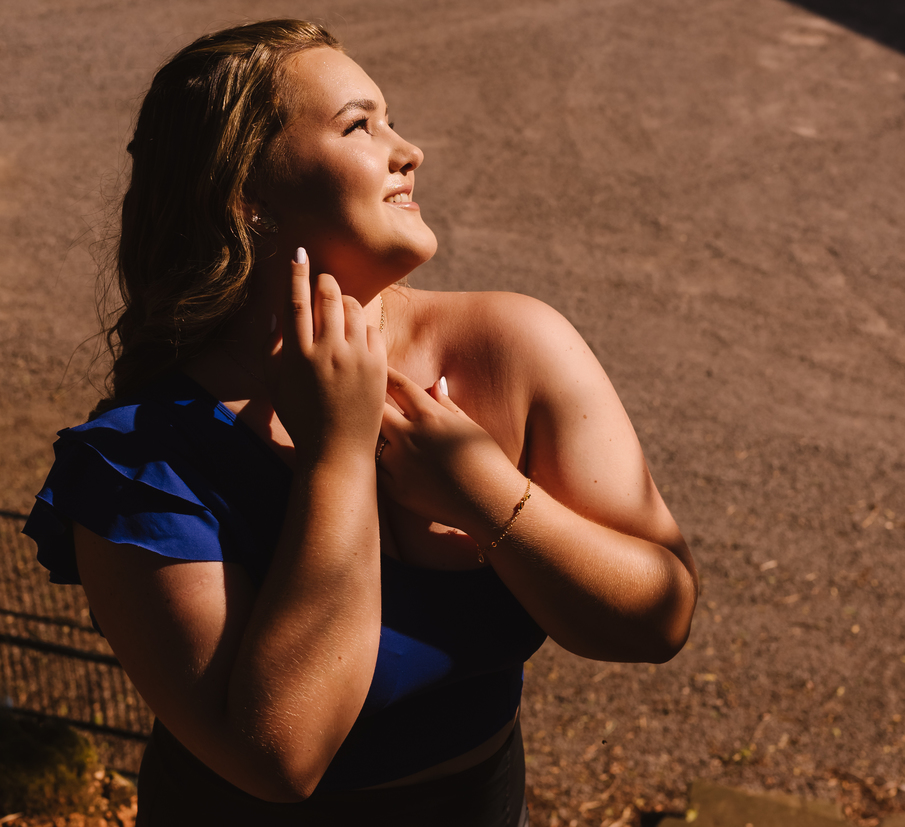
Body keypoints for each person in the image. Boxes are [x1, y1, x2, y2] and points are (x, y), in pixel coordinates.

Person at [21, 19, 697, 825]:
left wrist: (487, 495)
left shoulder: (515, 345)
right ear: (248, 197)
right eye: (359, 125)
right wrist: (336, 459)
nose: (408, 150)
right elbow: (281, 758)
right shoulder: (138, 461)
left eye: (389, 118)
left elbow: (661, 619)